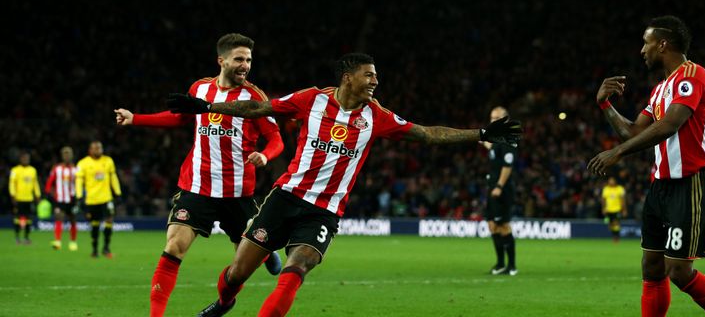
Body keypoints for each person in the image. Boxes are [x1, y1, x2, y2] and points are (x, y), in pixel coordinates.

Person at [167, 52, 523, 317]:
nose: (375, 82)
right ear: (348, 77)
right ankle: (225, 302)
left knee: (297, 267)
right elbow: (259, 109)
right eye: (369, 75)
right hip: (285, 197)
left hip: (324, 211)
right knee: (237, 272)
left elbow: (428, 134)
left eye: (376, 77)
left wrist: (481, 133)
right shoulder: (312, 99)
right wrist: (205, 105)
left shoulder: (376, 117)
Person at [114, 33, 285, 317]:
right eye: (239, 59)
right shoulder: (200, 89)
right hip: (197, 186)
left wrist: (266, 155)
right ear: (221, 60)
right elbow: (180, 117)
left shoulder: (255, 97)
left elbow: (276, 139)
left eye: (249, 60)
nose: (245, 65)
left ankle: (228, 299)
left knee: (241, 268)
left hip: (237, 193)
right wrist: (136, 118)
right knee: (174, 246)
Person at [588, 16, 705, 317]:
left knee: (680, 271)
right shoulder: (661, 89)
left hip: (691, 182)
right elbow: (633, 132)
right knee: (652, 267)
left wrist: (617, 153)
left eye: (646, 43)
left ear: (662, 44)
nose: (642, 50)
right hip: (661, 185)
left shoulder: (692, 76)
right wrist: (605, 105)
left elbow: (670, 125)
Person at [481, 106, 519, 275]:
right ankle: (500, 264)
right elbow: (495, 152)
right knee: (491, 225)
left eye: (497, 117)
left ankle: (511, 266)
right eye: (491, 117)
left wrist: (499, 186)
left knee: (503, 225)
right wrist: (485, 143)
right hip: (492, 188)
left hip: (501, 190)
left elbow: (507, 165)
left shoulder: (508, 139)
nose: (493, 120)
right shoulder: (497, 140)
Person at [76, 140, 121, 258]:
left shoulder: (108, 161)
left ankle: (106, 248)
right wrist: (79, 196)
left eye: (100, 148)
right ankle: (95, 249)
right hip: (91, 200)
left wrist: (118, 193)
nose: (98, 150)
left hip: (106, 198)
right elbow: (79, 181)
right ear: (90, 150)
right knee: (94, 224)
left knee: (109, 220)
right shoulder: (83, 163)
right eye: (95, 148)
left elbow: (113, 177)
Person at [45, 146, 79, 251]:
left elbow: (80, 184)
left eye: (69, 153)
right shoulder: (56, 169)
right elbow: (49, 184)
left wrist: (79, 197)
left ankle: (73, 243)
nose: (67, 155)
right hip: (59, 199)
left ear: (72, 155)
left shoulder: (76, 170)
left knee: (72, 220)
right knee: (59, 218)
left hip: (72, 199)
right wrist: (52, 194)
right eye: (65, 153)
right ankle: (58, 242)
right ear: (62, 156)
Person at [9, 152, 40, 245]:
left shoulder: (33, 170)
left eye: (27, 158)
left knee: (29, 219)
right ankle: (17, 237)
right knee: (18, 219)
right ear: (20, 159)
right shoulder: (15, 170)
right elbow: (11, 183)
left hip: (29, 198)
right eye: (24, 158)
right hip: (19, 198)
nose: (26, 160)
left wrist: (37, 194)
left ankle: (26, 238)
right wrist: (12, 195)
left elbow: (35, 183)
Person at [601, 176, 626, 243]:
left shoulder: (620, 188)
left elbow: (623, 200)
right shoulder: (606, 189)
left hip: (617, 209)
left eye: (612, 180)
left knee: (616, 223)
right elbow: (603, 200)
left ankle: (616, 238)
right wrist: (603, 208)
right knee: (611, 225)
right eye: (610, 180)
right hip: (608, 210)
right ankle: (614, 237)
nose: (611, 182)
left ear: (615, 181)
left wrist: (624, 209)